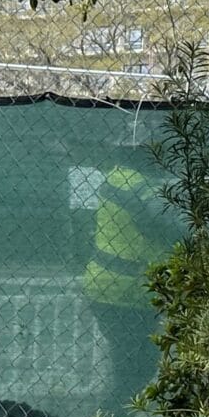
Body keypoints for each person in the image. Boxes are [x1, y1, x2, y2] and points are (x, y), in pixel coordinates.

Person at [81, 161, 176, 401]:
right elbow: (163, 225)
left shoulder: (117, 176)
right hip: (129, 290)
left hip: (109, 285)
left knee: (130, 365)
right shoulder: (141, 186)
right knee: (137, 367)